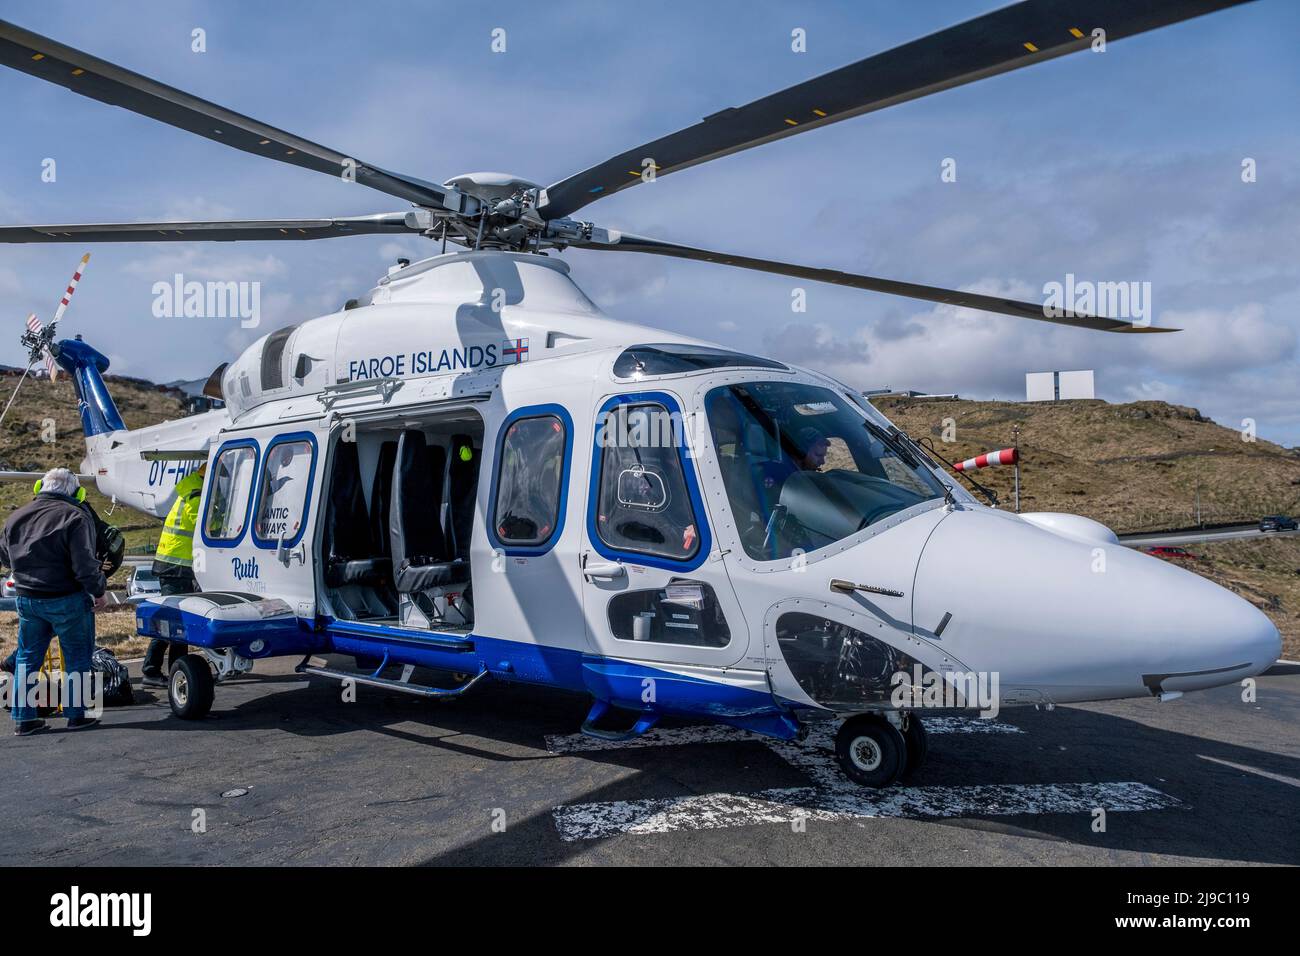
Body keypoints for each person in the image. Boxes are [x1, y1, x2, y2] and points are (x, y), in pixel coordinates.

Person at [0, 467, 107, 735]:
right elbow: (85, 565)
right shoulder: (75, 516)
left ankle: (24, 720)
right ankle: (77, 715)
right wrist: (99, 591)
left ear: (40, 488)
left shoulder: (16, 516)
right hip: (67, 599)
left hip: (28, 600)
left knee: (26, 659)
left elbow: (4, 558)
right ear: (77, 492)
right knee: (77, 658)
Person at [140, 465, 204, 687]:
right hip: (176, 569)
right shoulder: (195, 498)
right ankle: (151, 670)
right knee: (172, 622)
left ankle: (179, 670)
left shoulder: (188, 494)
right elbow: (206, 526)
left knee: (178, 623)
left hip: (174, 568)